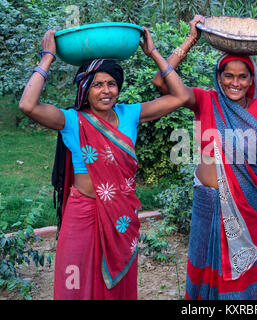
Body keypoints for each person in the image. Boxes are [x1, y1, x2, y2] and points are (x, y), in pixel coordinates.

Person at [153, 15, 257, 300]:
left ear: (252, 79)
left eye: (243, 76)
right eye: (228, 76)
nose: (235, 82)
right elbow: (161, 82)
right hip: (207, 201)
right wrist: (191, 40)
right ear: (219, 78)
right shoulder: (205, 100)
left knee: (242, 275)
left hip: (245, 204)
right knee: (206, 266)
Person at [18, 27, 190, 299]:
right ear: (85, 89)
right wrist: (48, 57)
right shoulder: (72, 121)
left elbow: (180, 97)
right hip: (82, 215)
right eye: (97, 84)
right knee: (74, 278)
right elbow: (28, 105)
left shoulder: (130, 114)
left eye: (112, 84)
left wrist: (153, 52)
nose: (106, 91)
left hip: (120, 216)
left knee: (116, 284)